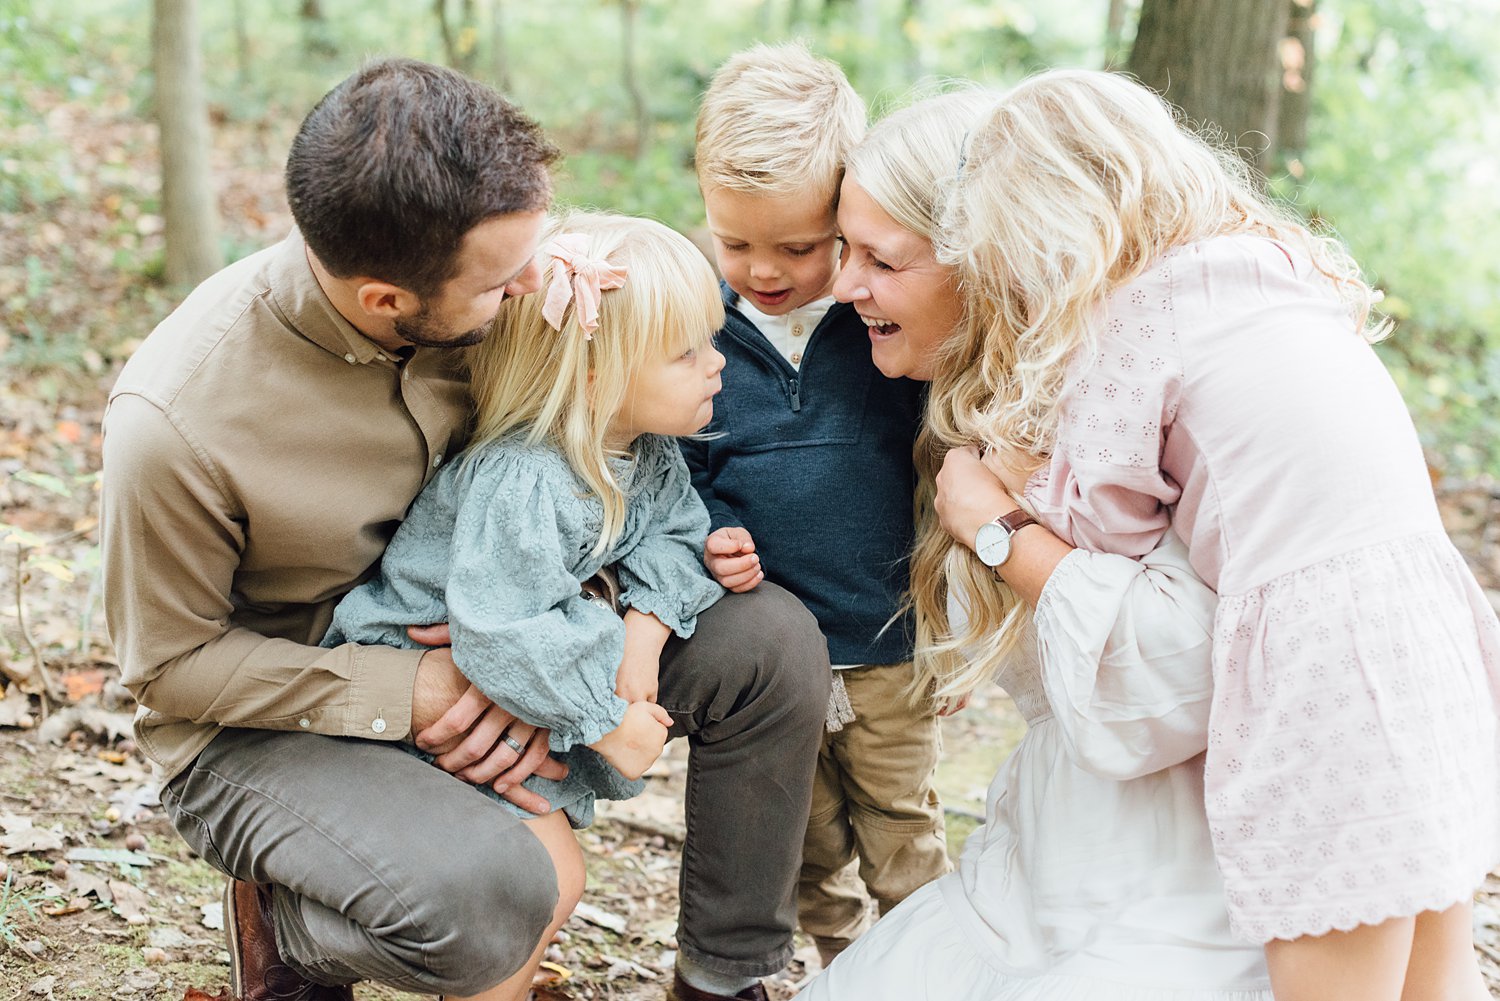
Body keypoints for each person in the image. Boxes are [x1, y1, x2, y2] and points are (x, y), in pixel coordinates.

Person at [100, 58, 830, 1001]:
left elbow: (590, 466)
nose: (539, 284)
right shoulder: (177, 421)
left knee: (768, 641)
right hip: (269, 716)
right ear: (388, 301)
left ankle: (722, 977)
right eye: (504, 280)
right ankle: (294, 922)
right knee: (497, 891)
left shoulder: (518, 287)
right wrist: (423, 687)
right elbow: (168, 667)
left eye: (538, 251)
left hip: (517, 614)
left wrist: (594, 623)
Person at [920, 71, 1500, 1001]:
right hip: (1427, 639)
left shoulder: (1137, 322)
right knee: (1438, 978)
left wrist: (999, 491)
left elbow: (1105, 537)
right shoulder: (1265, 261)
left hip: (1326, 682)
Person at [801, 90, 1273, 999]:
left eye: (881, 260)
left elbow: (1178, 681)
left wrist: (994, 529)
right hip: (1042, 847)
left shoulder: (1133, 405)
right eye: (842, 249)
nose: (842, 284)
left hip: (1179, 880)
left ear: (992, 261)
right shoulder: (941, 391)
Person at [323, 211, 728, 1000]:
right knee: (544, 878)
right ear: (592, 376)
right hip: (418, 696)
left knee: (548, 883)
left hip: (509, 684)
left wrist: (641, 638)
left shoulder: (644, 454)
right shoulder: (526, 479)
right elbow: (502, 625)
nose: (717, 365)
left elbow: (680, 537)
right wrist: (607, 719)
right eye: (687, 352)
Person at [683, 42, 948, 971]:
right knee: (804, 835)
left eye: (797, 246)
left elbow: (935, 474)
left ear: (845, 213)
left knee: (900, 821)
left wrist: (948, 623)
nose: (763, 269)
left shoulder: (882, 320)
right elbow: (678, 464)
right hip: (774, 659)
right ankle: (845, 965)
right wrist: (709, 530)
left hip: (886, 645)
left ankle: (926, 966)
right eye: (735, 242)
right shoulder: (692, 331)